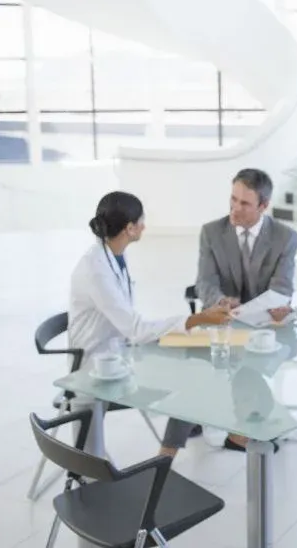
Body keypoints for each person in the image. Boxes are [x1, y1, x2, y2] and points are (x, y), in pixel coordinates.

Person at [68, 191, 231, 457]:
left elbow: (130, 326)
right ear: (130, 228)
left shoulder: (115, 255)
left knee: (194, 372)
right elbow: (135, 328)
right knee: (87, 463)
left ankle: (165, 456)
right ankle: (162, 461)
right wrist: (199, 318)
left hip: (121, 352)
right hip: (94, 367)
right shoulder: (95, 269)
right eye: (141, 220)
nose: (145, 225)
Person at [159, 168, 297, 455]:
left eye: (244, 203)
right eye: (233, 199)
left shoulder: (285, 237)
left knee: (266, 362)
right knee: (193, 380)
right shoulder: (212, 232)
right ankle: (170, 452)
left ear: (264, 206)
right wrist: (220, 300)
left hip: (263, 328)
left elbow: (282, 287)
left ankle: (250, 428)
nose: (235, 208)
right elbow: (205, 282)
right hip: (221, 325)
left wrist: (272, 309)